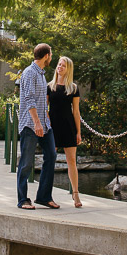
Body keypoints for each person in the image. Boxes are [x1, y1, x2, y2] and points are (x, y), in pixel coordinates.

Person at [16, 43, 60, 210]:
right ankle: (23, 200)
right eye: (51, 54)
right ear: (46, 56)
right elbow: (28, 99)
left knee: (51, 155)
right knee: (26, 163)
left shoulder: (41, 74)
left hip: (44, 125)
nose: (52, 57)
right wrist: (36, 122)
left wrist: (44, 122)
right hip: (30, 125)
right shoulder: (29, 73)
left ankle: (43, 197)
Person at [47, 56, 83, 208]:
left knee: (71, 162)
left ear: (68, 69)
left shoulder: (73, 88)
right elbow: (44, 108)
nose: (60, 67)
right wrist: (47, 124)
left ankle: (75, 194)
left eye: (63, 65)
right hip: (53, 127)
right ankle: (46, 194)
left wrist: (78, 132)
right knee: (50, 160)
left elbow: (76, 112)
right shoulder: (49, 86)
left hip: (68, 127)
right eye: (59, 64)